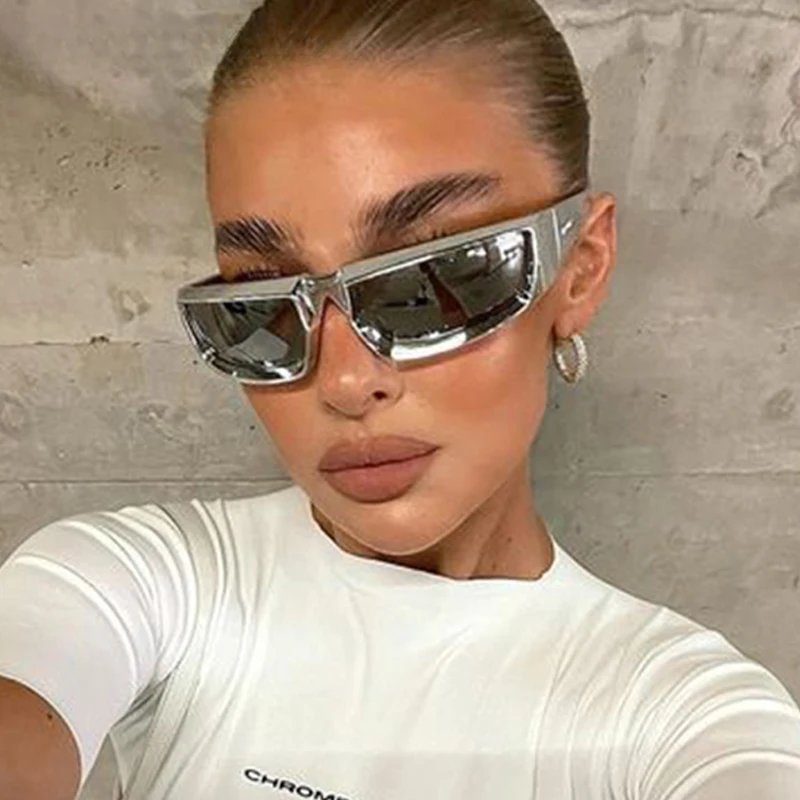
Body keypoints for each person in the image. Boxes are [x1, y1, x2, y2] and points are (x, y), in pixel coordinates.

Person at [2, 1, 800, 798]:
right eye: (260, 296)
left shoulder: (689, 717)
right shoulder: (140, 581)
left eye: (435, 277)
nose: (347, 381)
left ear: (580, 267)